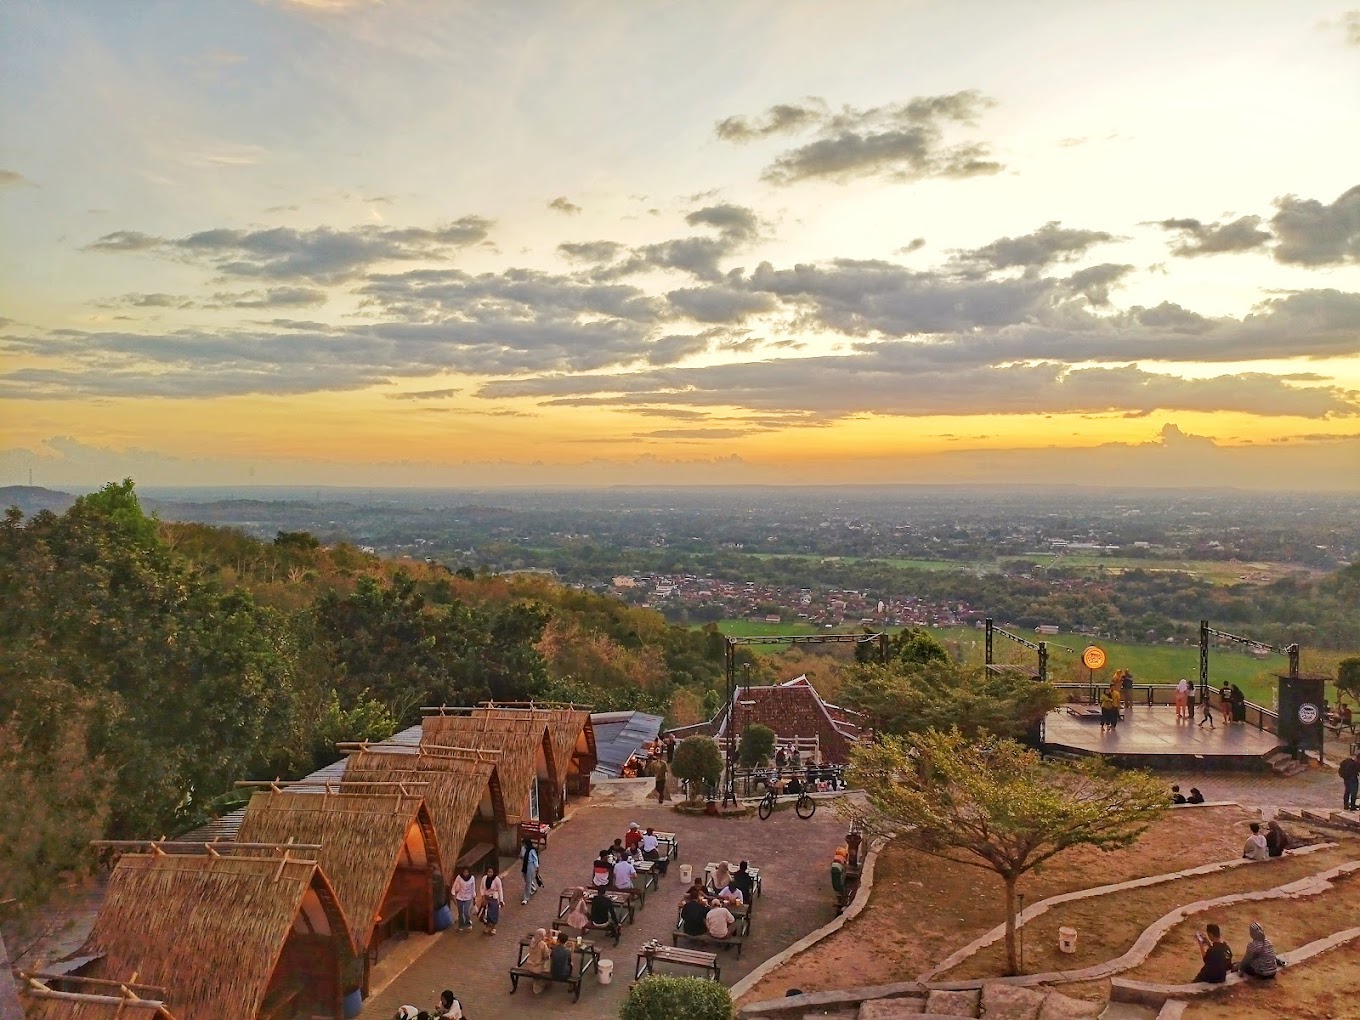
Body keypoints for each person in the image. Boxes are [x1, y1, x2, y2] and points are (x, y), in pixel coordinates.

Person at [524, 927, 551, 994]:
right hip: (538, 967)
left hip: (530, 965)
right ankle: (543, 982)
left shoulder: (532, 941)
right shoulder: (542, 944)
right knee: (549, 962)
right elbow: (546, 956)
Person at [477, 865, 503, 935]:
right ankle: (487, 926)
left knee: (494, 913)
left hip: (493, 898)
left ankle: (493, 927)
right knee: (486, 913)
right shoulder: (484, 878)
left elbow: (500, 890)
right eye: (488, 872)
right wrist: (482, 895)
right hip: (486, 898)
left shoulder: (497, 880)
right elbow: (481, 887)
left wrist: (501, 900)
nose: (490, 874)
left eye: (491, 872)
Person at [451, 865, 476, 931]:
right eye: (464, 872)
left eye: (467, 872)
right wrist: (453, 894)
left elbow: (473, 888)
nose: (465, 874)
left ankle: (468, 923)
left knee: (466, 912)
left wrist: (473, 897)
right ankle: (461, 925)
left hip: (468, 897)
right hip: (460, 897)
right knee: (460, 912)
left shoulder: (472, 878)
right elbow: (454, 886)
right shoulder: (459, 877)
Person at [520, 838, 540, 906]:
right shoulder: (523, 848)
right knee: (526, 879)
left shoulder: (532, 850)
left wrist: (537, 867)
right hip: (524, 865)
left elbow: (535, 859)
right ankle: (533, 888)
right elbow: (521, 856)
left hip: (530, 866)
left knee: (528, 882)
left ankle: (526, 898)